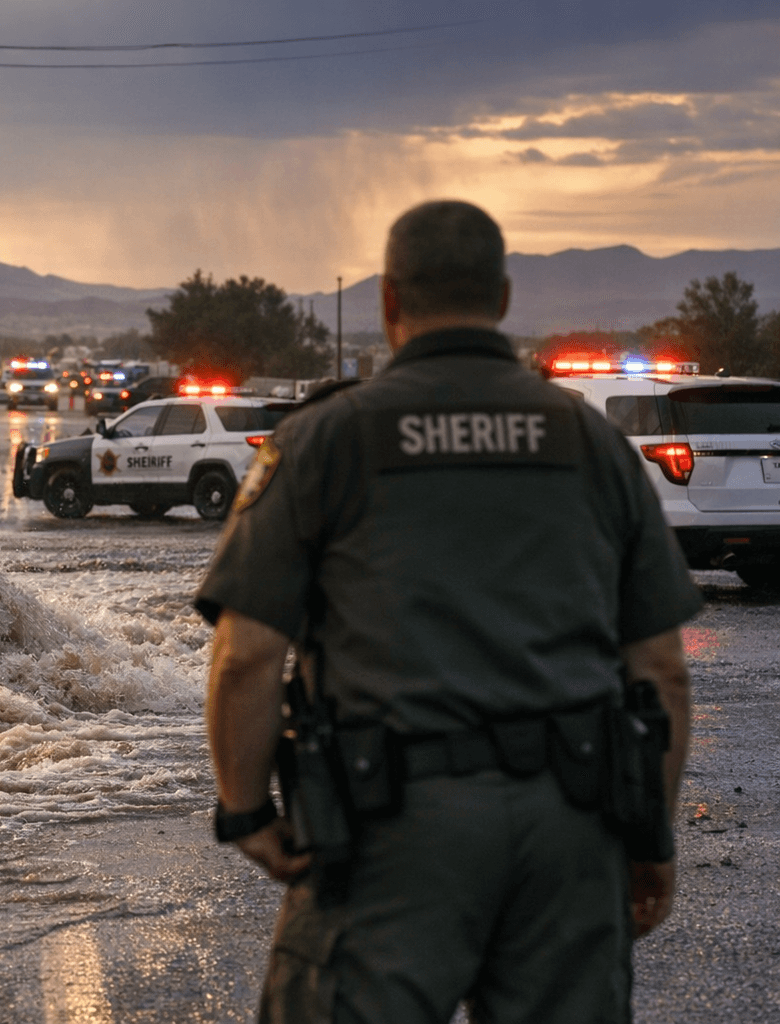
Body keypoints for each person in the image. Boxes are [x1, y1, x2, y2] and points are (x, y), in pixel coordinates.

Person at [196, 200, 701, 1023]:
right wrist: (650, 839)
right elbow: (663, 673)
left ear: (390, 300)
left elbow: (247, 654)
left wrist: (246, 810)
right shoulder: (591, 441)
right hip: (569, 828)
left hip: (389, 834)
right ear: (501, 298)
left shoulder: (329, 438)